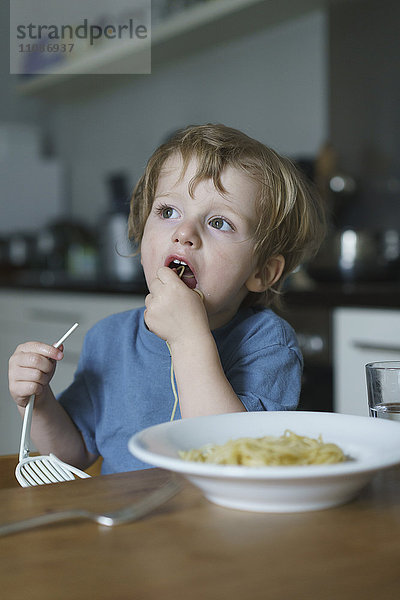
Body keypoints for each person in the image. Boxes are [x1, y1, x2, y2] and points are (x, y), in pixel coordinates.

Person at [8, 124, 325, 474]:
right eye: (168, 212)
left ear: (262, 273)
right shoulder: (108, 339)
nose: (184, 233)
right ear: (141, 238)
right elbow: (75, 452)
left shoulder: (267, 343)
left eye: (219, 222)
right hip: (128, 523)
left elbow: (237, 458)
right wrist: (36, 403)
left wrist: (187, 339)